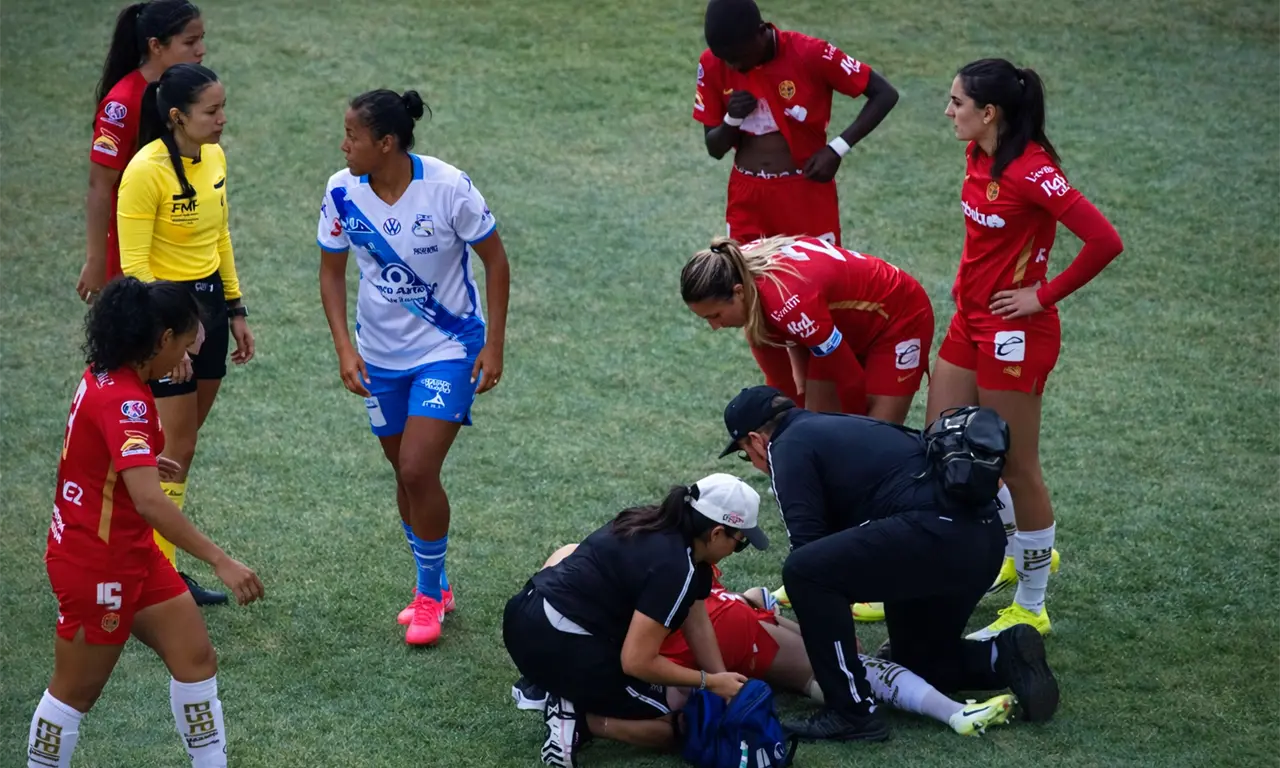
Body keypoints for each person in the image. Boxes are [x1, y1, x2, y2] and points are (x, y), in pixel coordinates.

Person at [718, 385, 1060, 741]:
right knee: (919, 661)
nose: (755, 464)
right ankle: (1004, 655)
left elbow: (809, 551)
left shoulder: (786, 448)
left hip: (932, 537)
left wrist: (832, 637)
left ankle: (850, 712)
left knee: (804, 573)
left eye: (745, 455)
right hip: (981, 539)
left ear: (757, 440)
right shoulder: (834, 427)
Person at [25, 277, 263, 768]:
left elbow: (95, 448)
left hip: (129, 552)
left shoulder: (105, 374)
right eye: (185, 340)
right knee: (74, 694)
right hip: (96, 565)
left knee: (196, 659)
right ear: (160, 339)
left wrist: (137, 465)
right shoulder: (128, 402)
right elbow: (153, 506)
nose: (190, 354)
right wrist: (222, 561)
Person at [932, 59, 1124, 640]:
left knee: (1014, 465)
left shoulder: (1033, 171)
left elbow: (1103, 240)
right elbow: (988, 239)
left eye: (957, 102)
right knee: (943, 443)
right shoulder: (978, 155)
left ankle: (1032, 602)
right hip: (970, 320)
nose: (948, 111)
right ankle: (988, 560)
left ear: (989, 112)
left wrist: (1042, 295)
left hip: (1015, 334)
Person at [318, 89, 510, 646]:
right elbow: (331, 274)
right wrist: (344, 350)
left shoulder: (448, 187)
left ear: (386, 143)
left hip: (448, 347)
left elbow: (495, 262)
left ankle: (429, 596)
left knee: (417, 469)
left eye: (352, 136)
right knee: (403, 469)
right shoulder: (340, 190)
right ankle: (438, 581)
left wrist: (492, 345)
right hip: (378, 355)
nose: (343, 145)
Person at [515, 547, 1016, 738]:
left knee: (808, 647)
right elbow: (707, 613)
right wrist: (712, 678)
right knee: (842, 668)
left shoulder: (622, 556)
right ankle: (952, 711)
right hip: (715, 636)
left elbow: (562, 564)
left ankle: (567, 701)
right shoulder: (687, 575)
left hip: (664, 633)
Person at [501, 474, 766, 767]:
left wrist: (722, 683)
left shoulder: (653, 521)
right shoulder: (676, 566)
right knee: (679, 725)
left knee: (680, 695)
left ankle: (551, 684)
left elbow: (696, 619)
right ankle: (576, 717)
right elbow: (637, 662)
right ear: (716, 533)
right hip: (558, 641)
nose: (736, 551)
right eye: (740, 542)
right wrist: (709, 681)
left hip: (524, 617)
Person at [117, 62, 254, 607]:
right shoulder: (144, 171)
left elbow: (219, 236)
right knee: (173, 446)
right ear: (177, 117)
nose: (222, 119)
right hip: (169, 323)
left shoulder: (214, 159)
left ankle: (148, 561)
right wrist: (169, 335)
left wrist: (236, 308)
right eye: (211, 111)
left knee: (179, 447)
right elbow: (132, 268)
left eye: (222, 108)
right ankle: (161, 576)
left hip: (210, 314)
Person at [693, 0, 898, 247]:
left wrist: (837, 148)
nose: (732, 66)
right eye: (724, 58)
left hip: (804, 193)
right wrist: (732, 118)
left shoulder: (811, 53)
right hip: (747, 197)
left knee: (818, 281)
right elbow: (714, 149)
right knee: (745, 283)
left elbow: (884, 93)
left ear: (761, 32)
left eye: (738, 57)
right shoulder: (712, 63)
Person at [681, 235, 934, 424]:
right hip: (840, 324)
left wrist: (856, 435)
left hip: (897, 320)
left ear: (738, 293)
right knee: (818, 430)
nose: (714, 326)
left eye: (715, 315)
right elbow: (783, 388)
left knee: (876, 443)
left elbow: (851, 380)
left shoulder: (787, 304)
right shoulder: (733, 268)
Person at [79, 0, 206, 303]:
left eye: (202, 39)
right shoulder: (121, 106)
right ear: (156, 46)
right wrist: (96, 261)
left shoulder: (186, 92)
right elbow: (100, 185)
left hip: (178, 250)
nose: (201, 50)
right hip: (131, 258)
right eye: (190, 42)